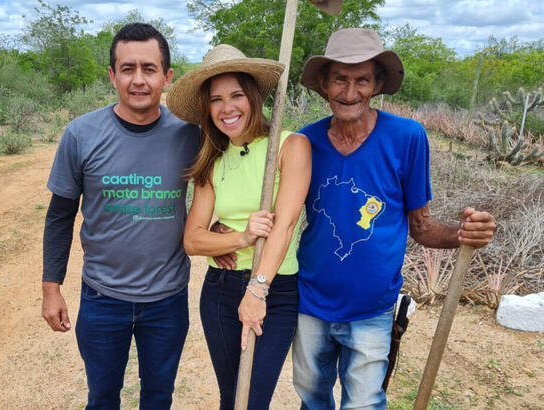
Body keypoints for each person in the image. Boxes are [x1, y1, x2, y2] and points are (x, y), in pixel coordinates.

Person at [291, 28, 496, 409]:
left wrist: (462, 233)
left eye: (362, 80)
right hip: (311, 301)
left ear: (378, 84)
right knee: (311, 396)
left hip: (374, 306)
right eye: (339, 78)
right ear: (323, 83)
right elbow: (283, 216)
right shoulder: (305, 142)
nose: (349, 93)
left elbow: (422, 226)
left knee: (364, 403)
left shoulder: (407, 137)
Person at [41, 23, 200, 409]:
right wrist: (51, 288)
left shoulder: (191, 136)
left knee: (159, 397)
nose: (139, 80)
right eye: (128, 68)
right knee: (101, 397)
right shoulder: (81, 134)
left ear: (167, 76)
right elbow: (60, 216)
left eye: (149, 68)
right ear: (113, 75)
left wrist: (224, 231)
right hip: (102, 296)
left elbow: (222, 191)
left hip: (167, 298)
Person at [166, 44, 312, 409]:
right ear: (207, 108)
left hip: (275, 292)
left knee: (252, 400)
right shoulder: (212, 161)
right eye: (216, 100)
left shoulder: (290, 146)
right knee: (231, 398)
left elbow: (286, 224)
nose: (227, 108)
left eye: (236, 95)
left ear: (253, 97)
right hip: (220, 289)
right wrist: (241, 236)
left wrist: (257, 290)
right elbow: (192, 240)